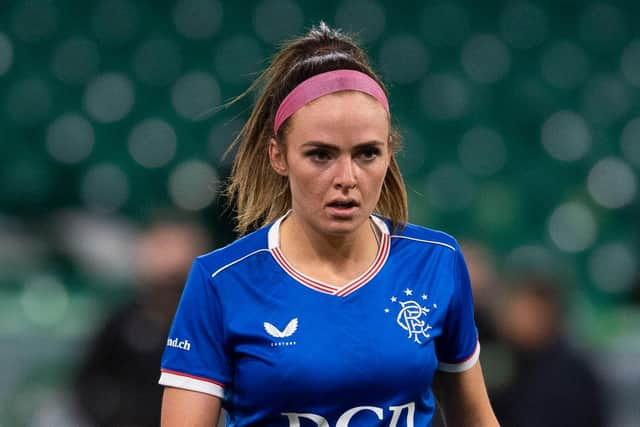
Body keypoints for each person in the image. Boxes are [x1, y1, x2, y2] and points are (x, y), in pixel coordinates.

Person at [159, 22, 498, 427]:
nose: (346, 178)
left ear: (390, 153)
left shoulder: (436, 263)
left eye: (367, 154)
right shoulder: (220, 282)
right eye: (320, 155)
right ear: (278, 156)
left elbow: (476, 420)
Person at [73, 217, 210, 426]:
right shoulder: (122, 322)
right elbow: (87, 386)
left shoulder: (209, 326)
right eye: (161, 247)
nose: (170, 264)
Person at [490, 273, 607, 427]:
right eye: (511, 310)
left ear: (549, 313)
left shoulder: (573, 375)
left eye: (527, 311)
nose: (514, 319)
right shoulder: (507, 368)